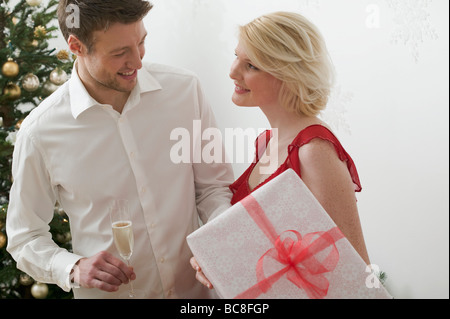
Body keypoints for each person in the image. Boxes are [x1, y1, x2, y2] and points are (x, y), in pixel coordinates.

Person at [6, 0, 234, 299]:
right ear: (76, 46)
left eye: (141, 43)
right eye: (119, 53)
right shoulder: (40, 132)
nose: (137, 61)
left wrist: (222, 239)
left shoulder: (184, 91)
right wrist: (74, 267)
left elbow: (213, 188)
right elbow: (25, 237)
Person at [192, 11, 370, 291]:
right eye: (236, 56)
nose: (232, 71)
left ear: (288, 76)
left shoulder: (314, 150)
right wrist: (217, 260)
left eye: (250, 65)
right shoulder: (267, 143)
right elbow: (266, 245)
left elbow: (356, 270)